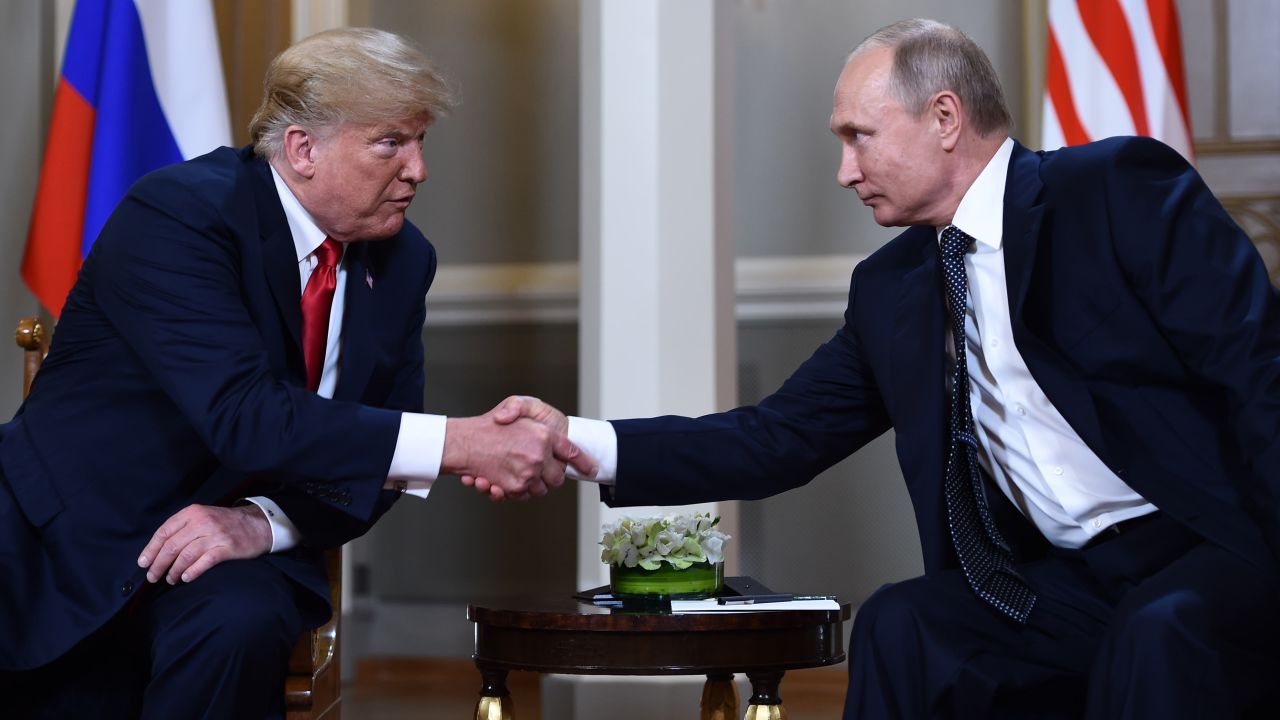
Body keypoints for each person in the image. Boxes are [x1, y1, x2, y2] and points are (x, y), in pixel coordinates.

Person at [475, 18, 1280, 719]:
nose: (844, 171)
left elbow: (1257, 371)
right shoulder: (893, 287)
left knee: (1160, 631)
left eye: (858, 136)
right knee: (905, 623)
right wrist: (582, 441)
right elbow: (777, 436)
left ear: (943, 117)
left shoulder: (1113, 189)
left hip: (1205, 550)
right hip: (1060, 583)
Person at [0, 27, 592, 718]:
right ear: (303, 149)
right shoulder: (180, 215)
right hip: (73, 541)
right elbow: (245, 414)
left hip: (231, 554)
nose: (418, 170)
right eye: (391, 143)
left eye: (421, 141)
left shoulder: (402, 262)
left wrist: (265, 522)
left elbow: (382, 456)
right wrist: (462, 443)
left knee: (237, 625)